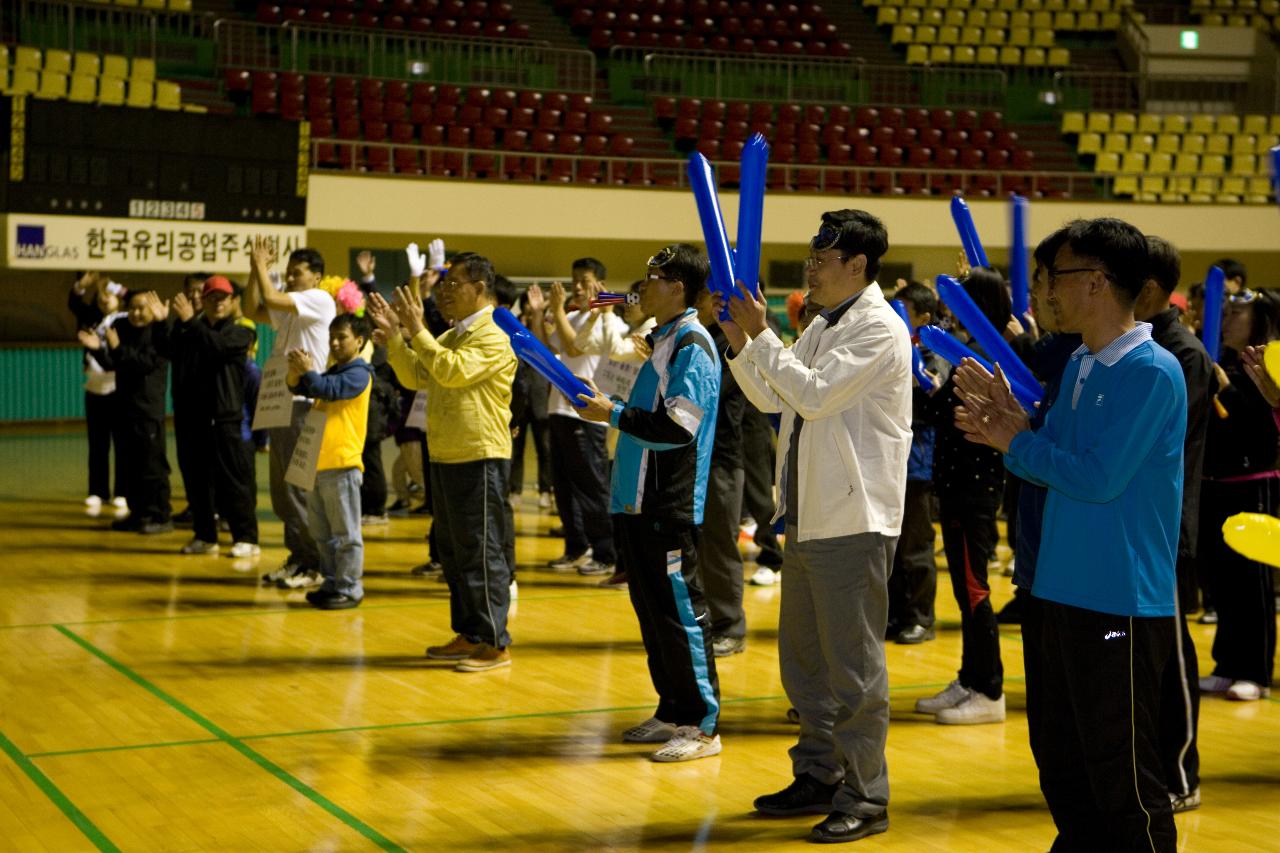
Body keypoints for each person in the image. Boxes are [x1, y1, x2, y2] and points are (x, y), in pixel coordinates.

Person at [956, 217, 1184, 852]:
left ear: (1097, 282)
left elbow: (1099, 477)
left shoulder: (1152, 371)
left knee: (1124, 778)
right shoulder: (1081, 363)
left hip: (1118, 598)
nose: (1045, 292)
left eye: (1054, 278)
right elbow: (1053, 453)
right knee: (1061, 759)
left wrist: (1019, 441)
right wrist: (1016, 423)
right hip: (1055, 588)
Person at [723, 209, 911, 844]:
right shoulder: (825, 324)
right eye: (811, 257)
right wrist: (746, 345)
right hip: (805, 515)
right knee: (806, 665)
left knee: (854, 670)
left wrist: (764, 335)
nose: (810, 268)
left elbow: (813, 394)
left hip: (853, 520)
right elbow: (774, 397)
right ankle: (819, 773)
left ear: (858, 265)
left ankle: (866, 793)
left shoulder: (878, 329)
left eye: (821, 260)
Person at [574, 243, 723, 762]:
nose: (643, 286)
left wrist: (610, 415)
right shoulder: (661, 341)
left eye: (653, 277)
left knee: (682, 614)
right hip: (635, 501)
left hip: (668, 503)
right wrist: (611, 406)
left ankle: (704, 725)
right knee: (652, 614)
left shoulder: (692, 345)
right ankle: (673, 708)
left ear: (678, 286)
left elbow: (681, 427)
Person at [370, 252, 518, 672]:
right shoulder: (455, 334)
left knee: (482, 551)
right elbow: (419, 375)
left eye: (454, 284)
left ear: (480, 290)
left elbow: (450, 372)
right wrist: (397, 339)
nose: (445, 291)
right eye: (445, 284)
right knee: (454, 552)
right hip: (449, 452)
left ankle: (495, 642)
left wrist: (416, 329)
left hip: (480, 454)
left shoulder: (494, 333)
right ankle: (471, 633)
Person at [1134, 235, 1214, 811]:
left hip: (1168, 528)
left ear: (1155, 291)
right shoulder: (1129, 345)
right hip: (1134, 527)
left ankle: (1182, 771)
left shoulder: (1180, 356)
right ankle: (1148, 766)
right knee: (1139, 652)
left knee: (1174, 656)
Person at [917, 267, 1011, 725]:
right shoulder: (967, 351)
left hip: (975, 488)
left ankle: (990, 689)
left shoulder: (991, 357)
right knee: (963, 589)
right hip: (956, 487)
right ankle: (971, 676)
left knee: (976, 591)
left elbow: (947, 409)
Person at [1198, 288, 1280, 702]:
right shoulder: (1223, 361)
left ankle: (1256, 670)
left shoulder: (1269, 364)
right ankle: (1227, 664)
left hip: (1254, 482)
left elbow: (1261, 424)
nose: (1226, 319)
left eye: (1236, 313)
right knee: (1223, 581)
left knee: (1252, 584)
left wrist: (1226, 390)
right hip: (1216, 483)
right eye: (1225, 312)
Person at [243, 238, 336, 589]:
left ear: (316, 277)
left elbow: (270, 298)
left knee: (298, 489)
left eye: (297, 273)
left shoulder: (319, 299)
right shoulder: (294, 307)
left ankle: (314, 564)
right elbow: (253, 309)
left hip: (303, 404)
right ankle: (297, 557)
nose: (291, 278)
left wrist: (263, 269)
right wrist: (256, 269)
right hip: (279, 400)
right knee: (282, 492)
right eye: (289, 272)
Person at [146, 278, 260, 557]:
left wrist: (190, 323)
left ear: (233, 302)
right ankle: (205, 536)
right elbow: (167, 350)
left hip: (226, 420)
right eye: (212, 298)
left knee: (234, 483)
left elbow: (217, 347)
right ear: (204, 302)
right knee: (196, 483)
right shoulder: (190, 330)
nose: (218, 302)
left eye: (224, 298)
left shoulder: (241, 331)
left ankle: (246, 538)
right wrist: (162, 323)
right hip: (192, 420)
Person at [527, 259, 622, 577]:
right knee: (564, 486)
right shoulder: (573, 316)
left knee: (592, 487)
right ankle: (576, 546)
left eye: (585, 281)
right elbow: (544, 349)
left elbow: (573, 347)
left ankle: (606, 552)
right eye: (574, 281)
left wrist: (556, 309)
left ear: (601, 286)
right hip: (560, 409)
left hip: (587, 414)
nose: (578, 287)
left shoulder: (609, 322)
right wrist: (541, 313)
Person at [287, 313, 376, 610]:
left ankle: (350, 588)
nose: (335, 343)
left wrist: (308, 372)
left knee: (346, 534)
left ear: (359, 341)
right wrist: (295, 372)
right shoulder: (333, 371)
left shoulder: (359, 374)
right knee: (322, 535)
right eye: (332, 338)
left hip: (343, 465)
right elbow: (301, 388)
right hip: (319, 464)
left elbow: (327, 390)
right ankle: (331, 582)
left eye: (342, 337)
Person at [885, 282, 947, 646]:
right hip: (890, 457)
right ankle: (895, 613)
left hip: (918, 460)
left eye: (904, 310)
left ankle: (921, 617)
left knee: (915, 545)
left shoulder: (936, 350)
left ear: (923, 317)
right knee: (890, 546)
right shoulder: (891, 346)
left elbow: (933, 389)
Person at [693, 284, 749, 657]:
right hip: (695, 456)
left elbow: (708, 392)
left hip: (723, 457)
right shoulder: (698, 338)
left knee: (719, 544)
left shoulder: (728, 342)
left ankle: (730, 625)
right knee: (699, 545)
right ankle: (707, 620)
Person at [91, 290, 174, 534]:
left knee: (152, 466)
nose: (137, 313)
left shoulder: (159, 335)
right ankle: (138, 513)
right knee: (129, 465)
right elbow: (116, 365)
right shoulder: (125, 330)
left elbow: (143, 364)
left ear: (153, 310)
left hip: (148, 410)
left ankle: (160, 516)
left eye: (142, 308)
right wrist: (98, 349)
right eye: (133, 308)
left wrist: (116, 350)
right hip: (125, 408)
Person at [72, 275, 128, 518]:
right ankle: (98, 490)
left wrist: (111, 285)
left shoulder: (126, 321)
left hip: (118, 389)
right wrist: (82, 287)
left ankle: (122, 492)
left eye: (110, 295)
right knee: (97, 444)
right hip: (94, 388)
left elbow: (137, 294)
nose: (105, 299)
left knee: (122, 444)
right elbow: (74, 304)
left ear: (119, 299)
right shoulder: (92, 318)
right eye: (101, 295)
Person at [170, 272, 211, 526]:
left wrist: (191, 323)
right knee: (186, 459)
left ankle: (213, 509)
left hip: (207, 405)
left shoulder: (213, 324)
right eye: (190, 291)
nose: (194, 296)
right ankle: (194, 505)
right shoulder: (179, 324)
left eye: (200, 291)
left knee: (207, 462)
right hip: (183, 401)